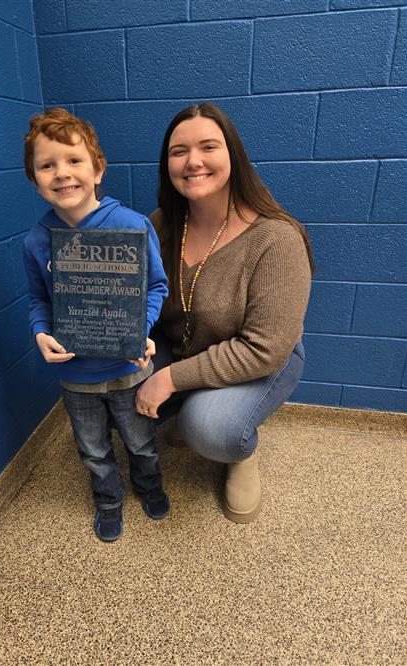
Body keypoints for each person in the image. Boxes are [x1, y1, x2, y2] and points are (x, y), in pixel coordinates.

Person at [135, 102, 312, 524]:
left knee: (210, 430)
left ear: (233, 155)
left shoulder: (275, 238)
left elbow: (263, 350)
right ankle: (188, 402)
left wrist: (168, 379)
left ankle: (239, 450)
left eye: (208, 147)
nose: (193, 161)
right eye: (179, 152)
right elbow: (132, 299)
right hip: (181, 344)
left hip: (259, 359)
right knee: (117, 393)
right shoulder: (158, 225)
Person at [23, 108, 170, 542]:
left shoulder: (131, 225)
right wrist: (40, 333)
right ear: (34, 180)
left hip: (128, 366)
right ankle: (108, 500)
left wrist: (140, 328)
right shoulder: (36, 241)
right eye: (47, 165)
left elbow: (156, 286)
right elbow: (38, 300)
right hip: (76, 374)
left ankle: (149, 485)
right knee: (91, 448)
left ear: (97, 168)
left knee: (140, 439)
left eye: (73, 161)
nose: (62, 174)